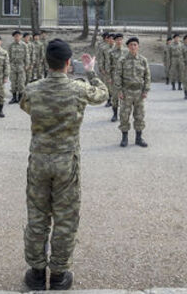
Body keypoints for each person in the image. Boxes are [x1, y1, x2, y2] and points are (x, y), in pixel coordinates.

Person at [20, 41, 107, 291]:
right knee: (65, 218)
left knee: (37, 216)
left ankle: (36, 273)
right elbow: (102, 94)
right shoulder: (78, 89)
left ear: (47, 62)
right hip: (66, 162)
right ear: (69, 63)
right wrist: (90, 70)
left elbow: (26, 106)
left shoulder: (32, 89)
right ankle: (58, 274)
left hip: (39, 161)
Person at [115, 37, 151, 147]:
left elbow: (147, 76)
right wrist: (119, 91)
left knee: (139, 115)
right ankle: (124, 138)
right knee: (124, 115)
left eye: (135, 44)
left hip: (139, 92)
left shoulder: (143, 60)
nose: (133, 47)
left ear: (138, 46)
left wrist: (146, 90)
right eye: (131, 45)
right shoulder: (122, 60)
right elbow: (117, 76)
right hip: (127, 92)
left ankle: (139, 138)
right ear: (128, 47)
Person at [107, 33, 125, 121]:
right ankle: (115, 114)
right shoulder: (111, 52)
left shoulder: (127, 51)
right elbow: (108, 65)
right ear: (115, 41)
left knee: (125, 96)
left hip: (125, 77)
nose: (119, 41)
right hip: (114, 76)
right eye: (117, 39)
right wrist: (109, 77)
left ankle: (124, 114)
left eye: (121, 39)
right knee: (115, 96)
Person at [8, 30, 28, 103]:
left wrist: (26, 65)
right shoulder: (11, 45)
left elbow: (27, 56)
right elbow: (8, 56)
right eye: (15, 36)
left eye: (18, 36)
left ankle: (20, 98)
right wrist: (9, 65)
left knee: (21, 82)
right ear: (13, 37)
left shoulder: (24, 45)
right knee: (13, 82)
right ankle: (14, 98)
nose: (17, 37)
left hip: (21, 65)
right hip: (13, 66)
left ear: (20, 36)